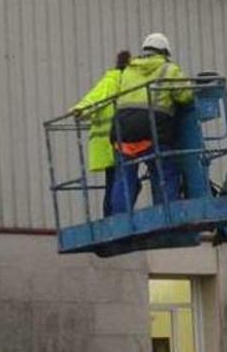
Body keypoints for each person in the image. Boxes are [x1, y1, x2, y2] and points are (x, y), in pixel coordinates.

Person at [110, 33, 195, 213]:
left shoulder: (127, 70)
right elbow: (185, 95)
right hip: (152, 133)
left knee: (124, 178)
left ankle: (119, 218)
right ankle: (168, 213)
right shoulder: (168, 69)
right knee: (165, 172)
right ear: (165, 52)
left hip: (122, 134)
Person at [71, 50, 132, 216]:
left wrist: (80, 110)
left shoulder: (113, 80)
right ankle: (115, 218)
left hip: (110, 144)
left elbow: (94, 98)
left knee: (114, 183)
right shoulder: (120, 81)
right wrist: (80, 109)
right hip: (116, 144)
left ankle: (112, 218)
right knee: (118, 183)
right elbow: (95, 98)